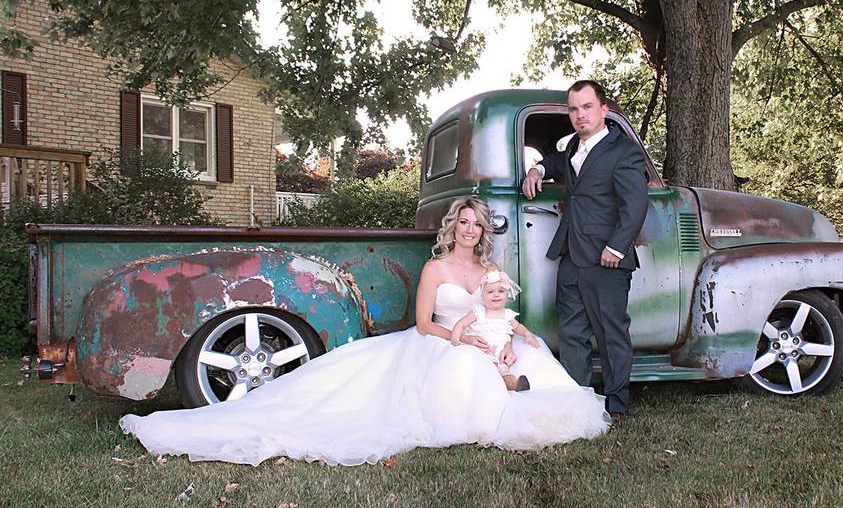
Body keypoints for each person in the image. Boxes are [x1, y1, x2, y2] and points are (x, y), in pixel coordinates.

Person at [119, 197, 609, 466]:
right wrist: (462, 338)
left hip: (487, 339)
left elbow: (499, 311)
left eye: (475, 225)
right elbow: (422, 324)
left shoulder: (489, 270)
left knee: (534, 351)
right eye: (462, 223)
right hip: (441, 342)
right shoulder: (437, 269)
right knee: (465, 366)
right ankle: (491, 403)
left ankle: (525, 390)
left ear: (483, 231)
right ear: (452, 227)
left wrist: (512, 336)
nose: (468, 231)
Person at [522, 80, 649, 418]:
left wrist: (617, 248)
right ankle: (578, 403)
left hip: (607, 257)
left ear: (603, 110)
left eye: (587, 107)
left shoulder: (623, 151)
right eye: (574, 109)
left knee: (611, 334)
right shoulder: (573, 149)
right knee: (572, 331)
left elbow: (635, 205)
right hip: (572, 255)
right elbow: (557, 161)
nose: (580, 115)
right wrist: (538, 168)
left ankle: (618, 406)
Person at [450, 269, 540, 391]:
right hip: (483, 348)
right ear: (482, 296)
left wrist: (527, 334)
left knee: (504, 367)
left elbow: (518, 327)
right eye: (490, 292)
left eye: (501, 291)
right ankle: (493, 385)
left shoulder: (507, 314)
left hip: (500, 350)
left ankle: (513, 384)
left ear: (507, 295)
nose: (496, 295)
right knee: (489, 366)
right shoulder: (478, 312)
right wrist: (455, 340)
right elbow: (460, 324)